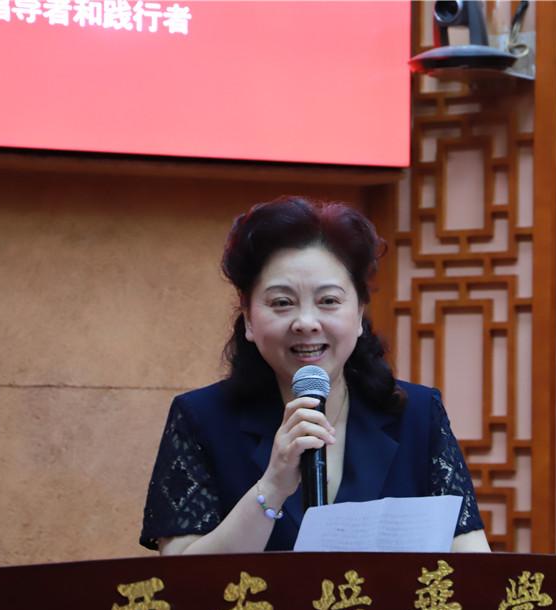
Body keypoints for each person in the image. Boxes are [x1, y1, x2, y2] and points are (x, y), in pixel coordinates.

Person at [140, 196, 490, 554]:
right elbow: (181, 572)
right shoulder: (201, 419)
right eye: (282, 302)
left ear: (359, 314)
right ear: (248, 319)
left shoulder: (417, 414)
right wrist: (272, 486)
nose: (306, 322)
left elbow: (473, 561)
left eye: (328, 301)